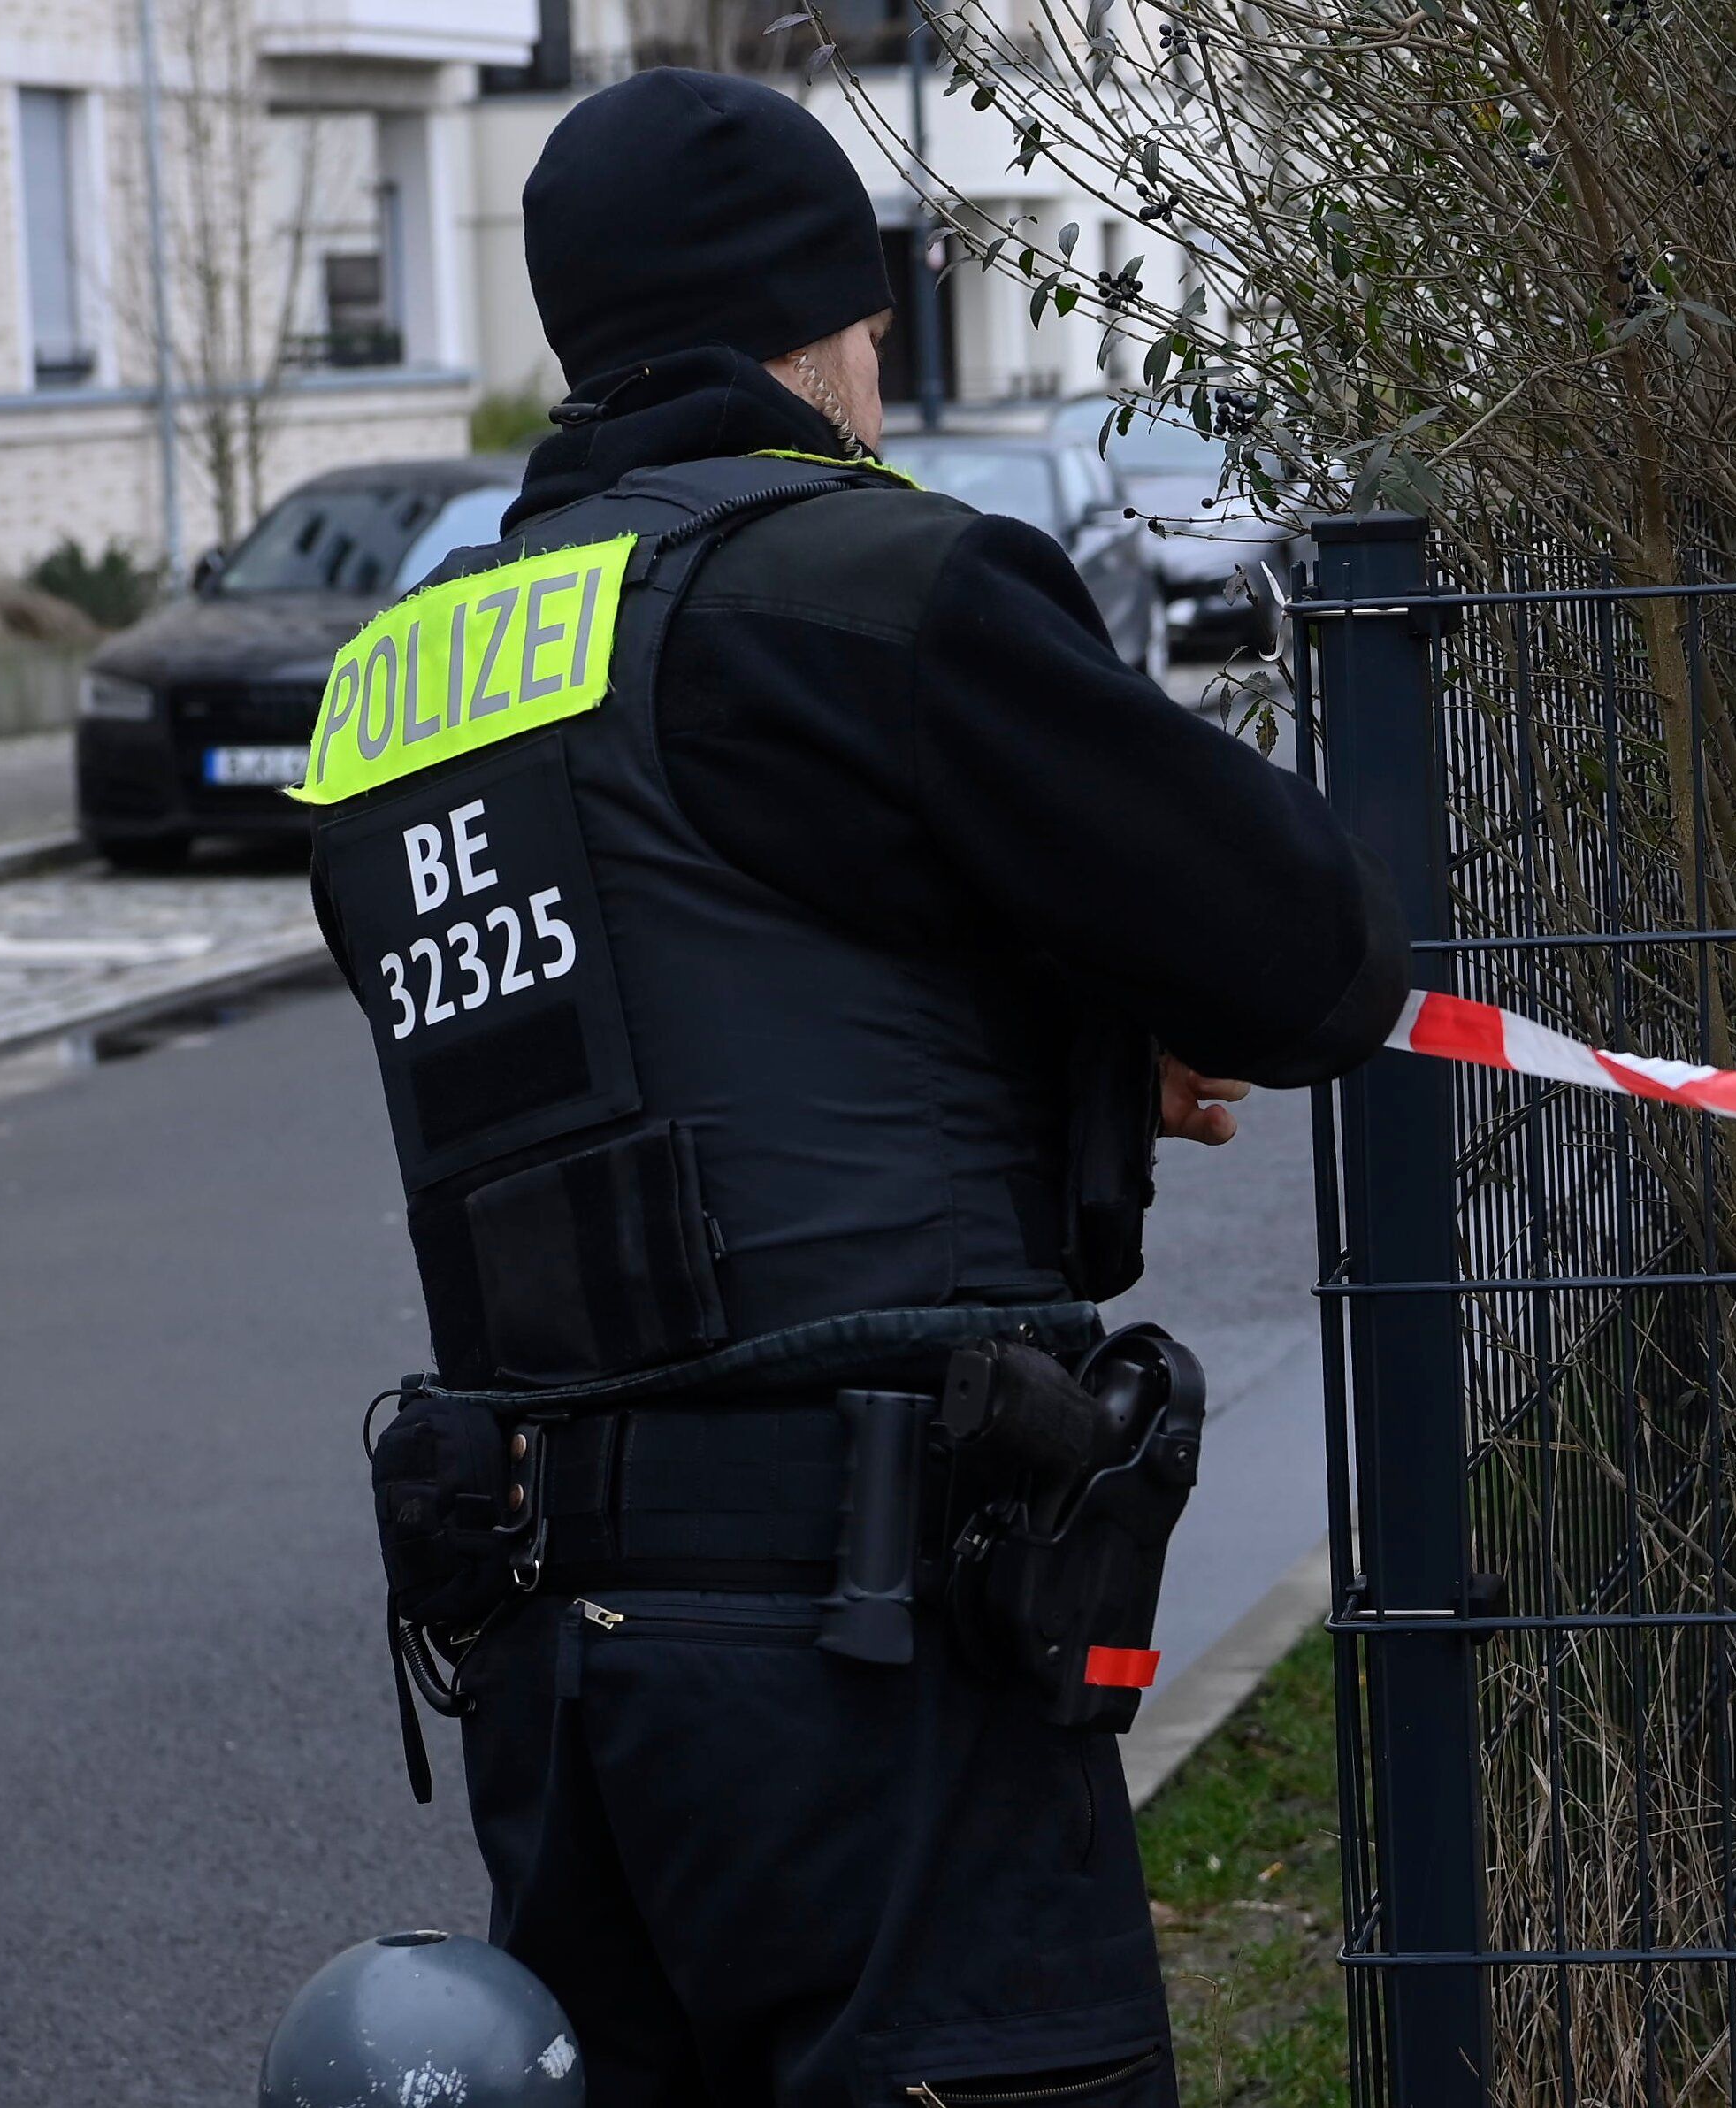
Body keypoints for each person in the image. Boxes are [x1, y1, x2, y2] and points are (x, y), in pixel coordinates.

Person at [295, 67, 1406, 2108]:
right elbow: (1313, 952)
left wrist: (1058, 1044)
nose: (882, 395)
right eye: (880, 341)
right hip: (864, 1638)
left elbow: (673, 1011)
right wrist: (1124, 1004)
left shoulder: (400, 683)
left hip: (555, 1660)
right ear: (818, 328)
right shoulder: (875, 588)